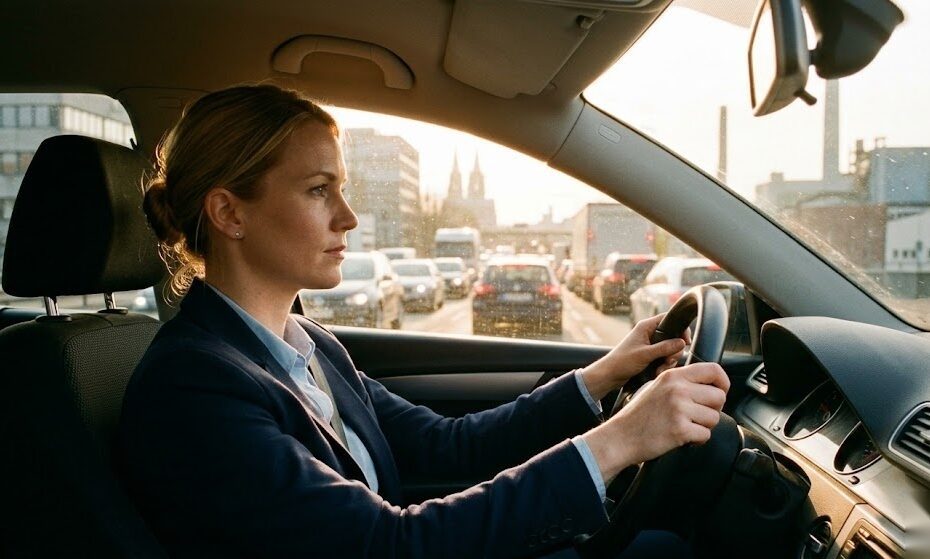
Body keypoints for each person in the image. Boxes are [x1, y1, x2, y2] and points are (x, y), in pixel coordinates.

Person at [117, 84, 730, 559]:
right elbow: (385, 547)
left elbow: (449, 445)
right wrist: (620, 440)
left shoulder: (308, 345)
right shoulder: (193, 388)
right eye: (317, 190)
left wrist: (601, 378)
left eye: (342, 188)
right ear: (229, 212)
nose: (349, 217)